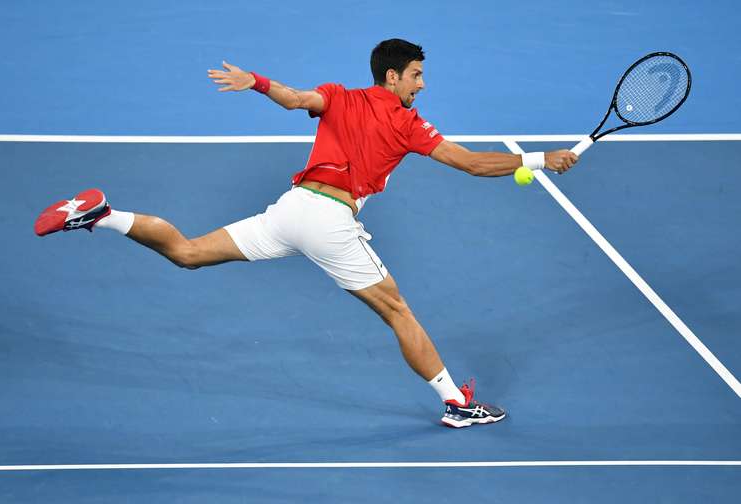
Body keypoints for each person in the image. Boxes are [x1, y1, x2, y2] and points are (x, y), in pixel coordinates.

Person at [35, 39, 577, 428]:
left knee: (189, 253)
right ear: (392, 77)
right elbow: (471, 164)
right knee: (398, 313)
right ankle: (456, 403)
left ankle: (102, 215)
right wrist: (539, 159)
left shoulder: (340, 96)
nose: (422, 83)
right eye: (416, 74)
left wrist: (258, 84)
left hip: (291, 209)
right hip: (330, 222)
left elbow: (296, 99)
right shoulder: (409, 123)